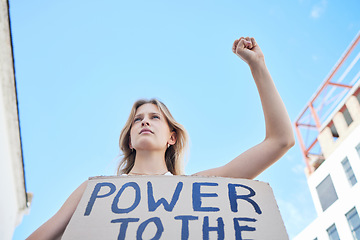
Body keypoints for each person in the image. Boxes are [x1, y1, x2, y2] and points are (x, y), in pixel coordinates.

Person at [26, 36, 295, 239]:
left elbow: (280, 140)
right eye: (137, 119)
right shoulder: (94, 192)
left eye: (155, 117)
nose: (144, 120)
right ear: (130, 140)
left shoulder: (197, 190)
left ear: (172, 137)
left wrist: (257, 65)